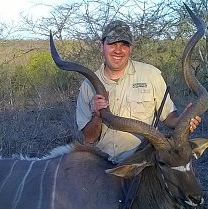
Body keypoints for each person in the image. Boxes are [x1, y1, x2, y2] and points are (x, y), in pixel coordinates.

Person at [76, 20, 201, 163]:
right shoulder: (88, 85)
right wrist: (97, 115)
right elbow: (89, 138)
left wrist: (184, 119)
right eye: (112, 44)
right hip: (103, 164)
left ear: (131, 48)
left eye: (124, 44)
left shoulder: (151, 74)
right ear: (101, 46)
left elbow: (170, 119)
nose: (118, 50)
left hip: (142, 162)